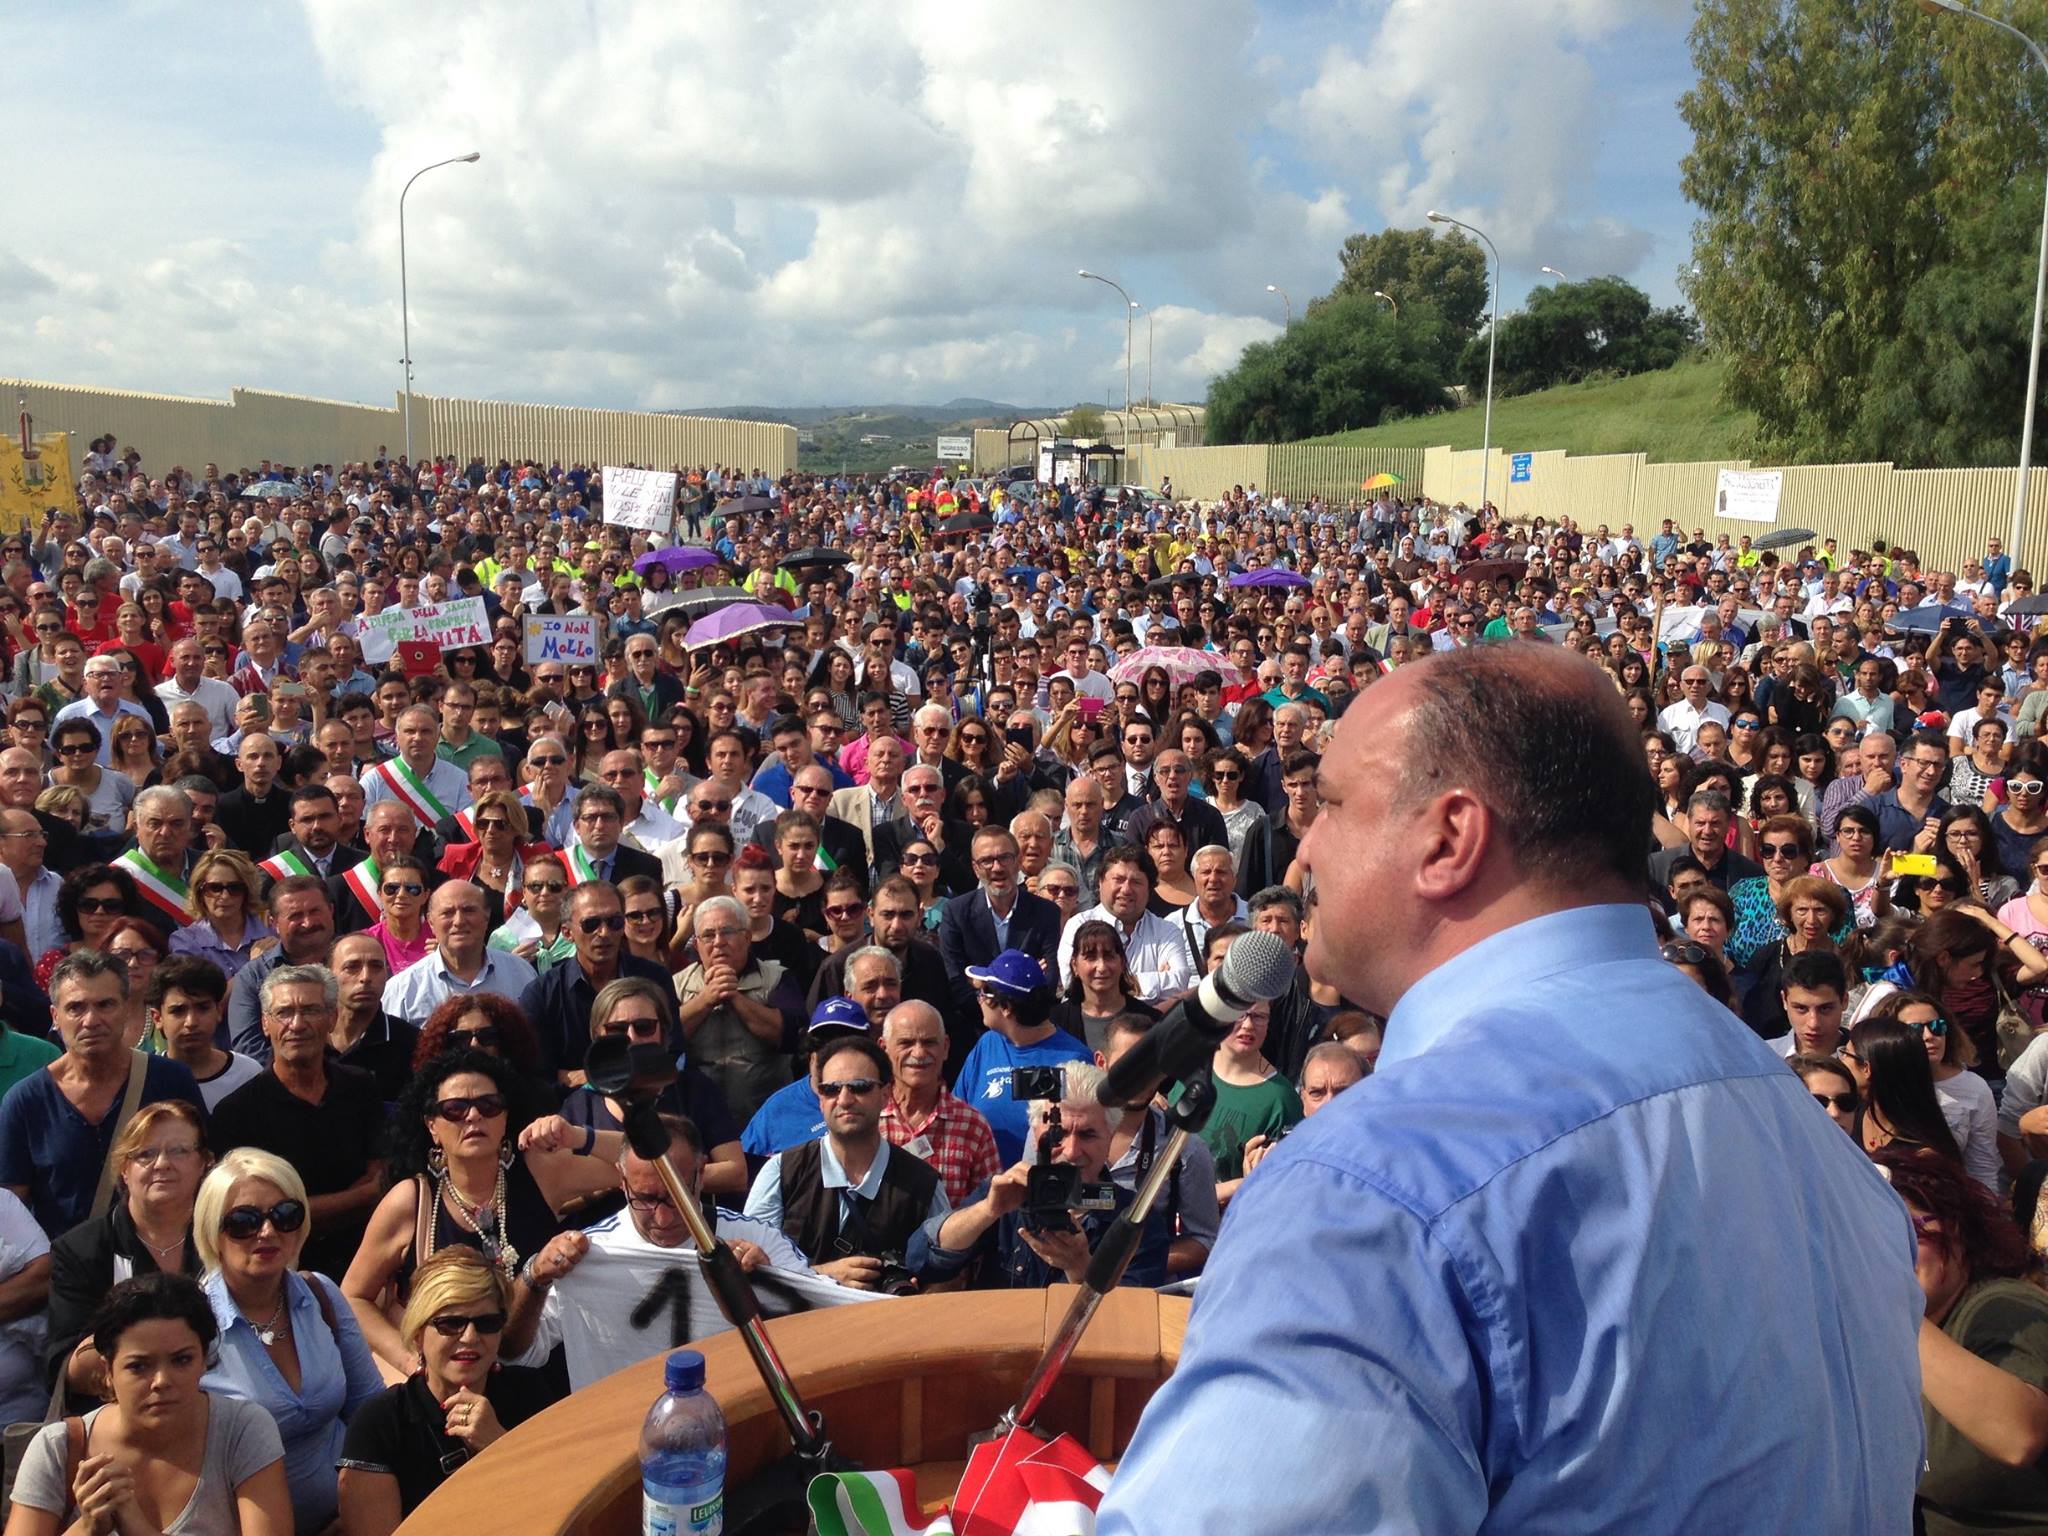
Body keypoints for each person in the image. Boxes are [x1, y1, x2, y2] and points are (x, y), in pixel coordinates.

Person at [1098, 645, 1925, 1533]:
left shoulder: (1370, 1191)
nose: (1304, 848)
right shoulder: (1799, 1124)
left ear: (1449, 839)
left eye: (1332, 805)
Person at [340, 1049, 619, 1376]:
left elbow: (651, 1164)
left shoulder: (541, 1172)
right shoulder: (411, 1201)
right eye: (455, 1109)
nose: (473, 1117)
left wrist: (580, 1136)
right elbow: (353, 1297)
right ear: (432, 1125)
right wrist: (410, 1361)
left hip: (542, 1374)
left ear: (504, 1117)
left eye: (488, 1106)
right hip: (452, 1388)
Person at [509, 1114, 805, 1388]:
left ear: (701, 1173)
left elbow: (819, 1324)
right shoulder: (589, 1253)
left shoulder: (758, 1238)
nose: (662, 1218)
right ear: (622, 1181)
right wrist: (535, 1277)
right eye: (645, 1199)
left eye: (676, 1197)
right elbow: (516, 1352)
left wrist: (770, 1282)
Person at [6, 1271, 291, 1536]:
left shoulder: (243, 1430)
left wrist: (137, 1526)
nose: (161, 1381)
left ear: (204, 1360)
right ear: (107, 1371)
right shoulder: (59, 1448)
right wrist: (87, 1526)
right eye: (139, 1366)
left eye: (181, 1360)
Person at [192, 1148, 382, 1534]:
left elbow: (371, 1414)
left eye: (285, 1216)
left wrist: (363, 1512)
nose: (267, 1232)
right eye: (244, 1221)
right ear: (212, 1231)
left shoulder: (321, 1294)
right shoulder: (190, 1324)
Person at [1875, 1146, 2048, 1534]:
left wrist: (1888, 1303)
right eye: (1869, 1237)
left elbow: (2018, 1435)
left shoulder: (2002, 1305)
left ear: (1956, 1228)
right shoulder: (1883, 1342)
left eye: (1904, 1230)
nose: (1885, 1251)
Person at [335, 1248, 559, 1530]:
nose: (469, 1337)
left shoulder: (528, 1390)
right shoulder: (380, 1422)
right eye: (450, 1323)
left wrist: (498, 1445)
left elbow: (563, 1498)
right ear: (418, 1333)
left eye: (487, 1323)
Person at [908, 1059, 1169, 1290]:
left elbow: (1130, 1321)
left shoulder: (1136, 1221)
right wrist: (987, 1211)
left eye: (1088, 1135)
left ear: (1110, 1137)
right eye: (1059, 1134)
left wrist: (1082, 1268)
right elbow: (921, 1259)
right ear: (1034, 1134)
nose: (1071, 1150)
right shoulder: (1008, 1194)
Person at [0, 950, 204, 1238]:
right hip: (67, 1274)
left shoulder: (171, 1080)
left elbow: (207, 1174)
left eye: (105, 1004)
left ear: (126, 1009)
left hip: (163, 1264)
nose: (91, 1019)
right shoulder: (26, 1101)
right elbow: (9, 1210)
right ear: (55, 1016)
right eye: (76, 1008)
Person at [208, 964, 386, 1281]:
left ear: (332, 1018)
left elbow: (382, 1177)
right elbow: (258, 1219)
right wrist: (358, 1198)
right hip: (279, 1274)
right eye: (284, 1012)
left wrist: (298, 1209)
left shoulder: (361, 1088)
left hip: (365, 1262)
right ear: (265, 1023)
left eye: (311, 1010)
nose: (297, 1024)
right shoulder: (236, 1113)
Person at [742, 1033, 950, 1289]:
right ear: (820, 1100)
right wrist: (822, 1276)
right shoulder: (780, 1171)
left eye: (859, 1087)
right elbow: (750, 1272)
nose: (844, 1099)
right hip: (798, 1326)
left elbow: (946, 1279)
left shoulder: (924, 1184)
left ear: (886, 1095)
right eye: (831, 1089)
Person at [44, 1100, 208, 1404]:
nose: (162, 1163)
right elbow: (65, 1367)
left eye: (179, 1150)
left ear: (203, 1164)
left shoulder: (230, 1235)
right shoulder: (80, 1249)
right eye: (146, 1154)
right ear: (124, 1168)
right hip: (118, 1417)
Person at [555, 977, 748, 1199]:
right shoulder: (579, 1106)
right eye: (617, 1029)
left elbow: (735, 1172)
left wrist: (646, 1179)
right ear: (598, 1035)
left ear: (663, 1032)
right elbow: (561, 1196)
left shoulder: (694, 1090)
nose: (631, 1038)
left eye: (644, 1027)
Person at [1094, 1011, 1221, 1279]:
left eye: (1151, 1065)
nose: (1139, 1077)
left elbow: (1204, 1240)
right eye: (1128, 1064)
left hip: (1145, 1296)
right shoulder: (1058, 1135)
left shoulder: (1183, 1148)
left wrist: (1131, 1266)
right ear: (1100, 1062)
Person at [518, 881, 674, 1081]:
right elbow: (538, 1076)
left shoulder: (655, 979)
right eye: (591, 924)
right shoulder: (542, 994)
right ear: (567, 932)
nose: (604, 932)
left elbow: (671, 1050)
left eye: (614, 922)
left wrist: (589, 1075)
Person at [673, 894, 805, 1127]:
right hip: (698, 1121)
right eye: (708, 935)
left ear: (746, 937)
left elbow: (789, 1036)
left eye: (727, 932)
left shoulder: (777, 978)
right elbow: (665, 1039)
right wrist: (705, 1000)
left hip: (768, 1118)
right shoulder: (677, 984)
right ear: (696, 944)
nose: (718, 942)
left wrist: (734, 996)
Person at [950, 949, 1091, 1163]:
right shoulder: (987, 1045)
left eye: (984, 992)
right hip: (985, 1190)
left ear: (1006, 1007)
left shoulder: (1075, 1060)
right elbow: (956, 1113)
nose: (978, 999)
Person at [1870, 987, 2001, 1194]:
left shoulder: (1973, 1088)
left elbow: (1982, 1168)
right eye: (1915, 1030)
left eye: (1937, 1026)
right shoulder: (1872, 1084)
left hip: (1946, 1204)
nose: (1930, 1036)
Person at [877, 999, 1002, 1208]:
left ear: (945, 1047)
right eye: (906, 1043)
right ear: (884, 1048)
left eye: (929, 1042)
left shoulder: (973, 1126)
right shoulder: (866, 1118)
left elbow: (992, 1209)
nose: (918, 1053)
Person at [935, 824, 1064, 1022]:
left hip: (1030, 1025)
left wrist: (981, 983)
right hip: (976, 1026)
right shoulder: (956, 912)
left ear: (1018, 861)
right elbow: (956, 982)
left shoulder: (1047, 913)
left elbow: (1048, 981)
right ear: (975, 868)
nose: (997, 867)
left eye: (1005, 858)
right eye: (987, 861)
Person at [379, 879, 539, 1027]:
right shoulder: (402, 991)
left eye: (468, 910)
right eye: (447, 913)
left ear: (486, 916)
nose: (459, 921)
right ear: (431, 922)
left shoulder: (521, 974)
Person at [1842, 1013, 1969, 1165]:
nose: (1841, 1061)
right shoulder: (1850, 1111)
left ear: (1866, 1068)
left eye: (1846, 1054)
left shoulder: (1923, 1157)